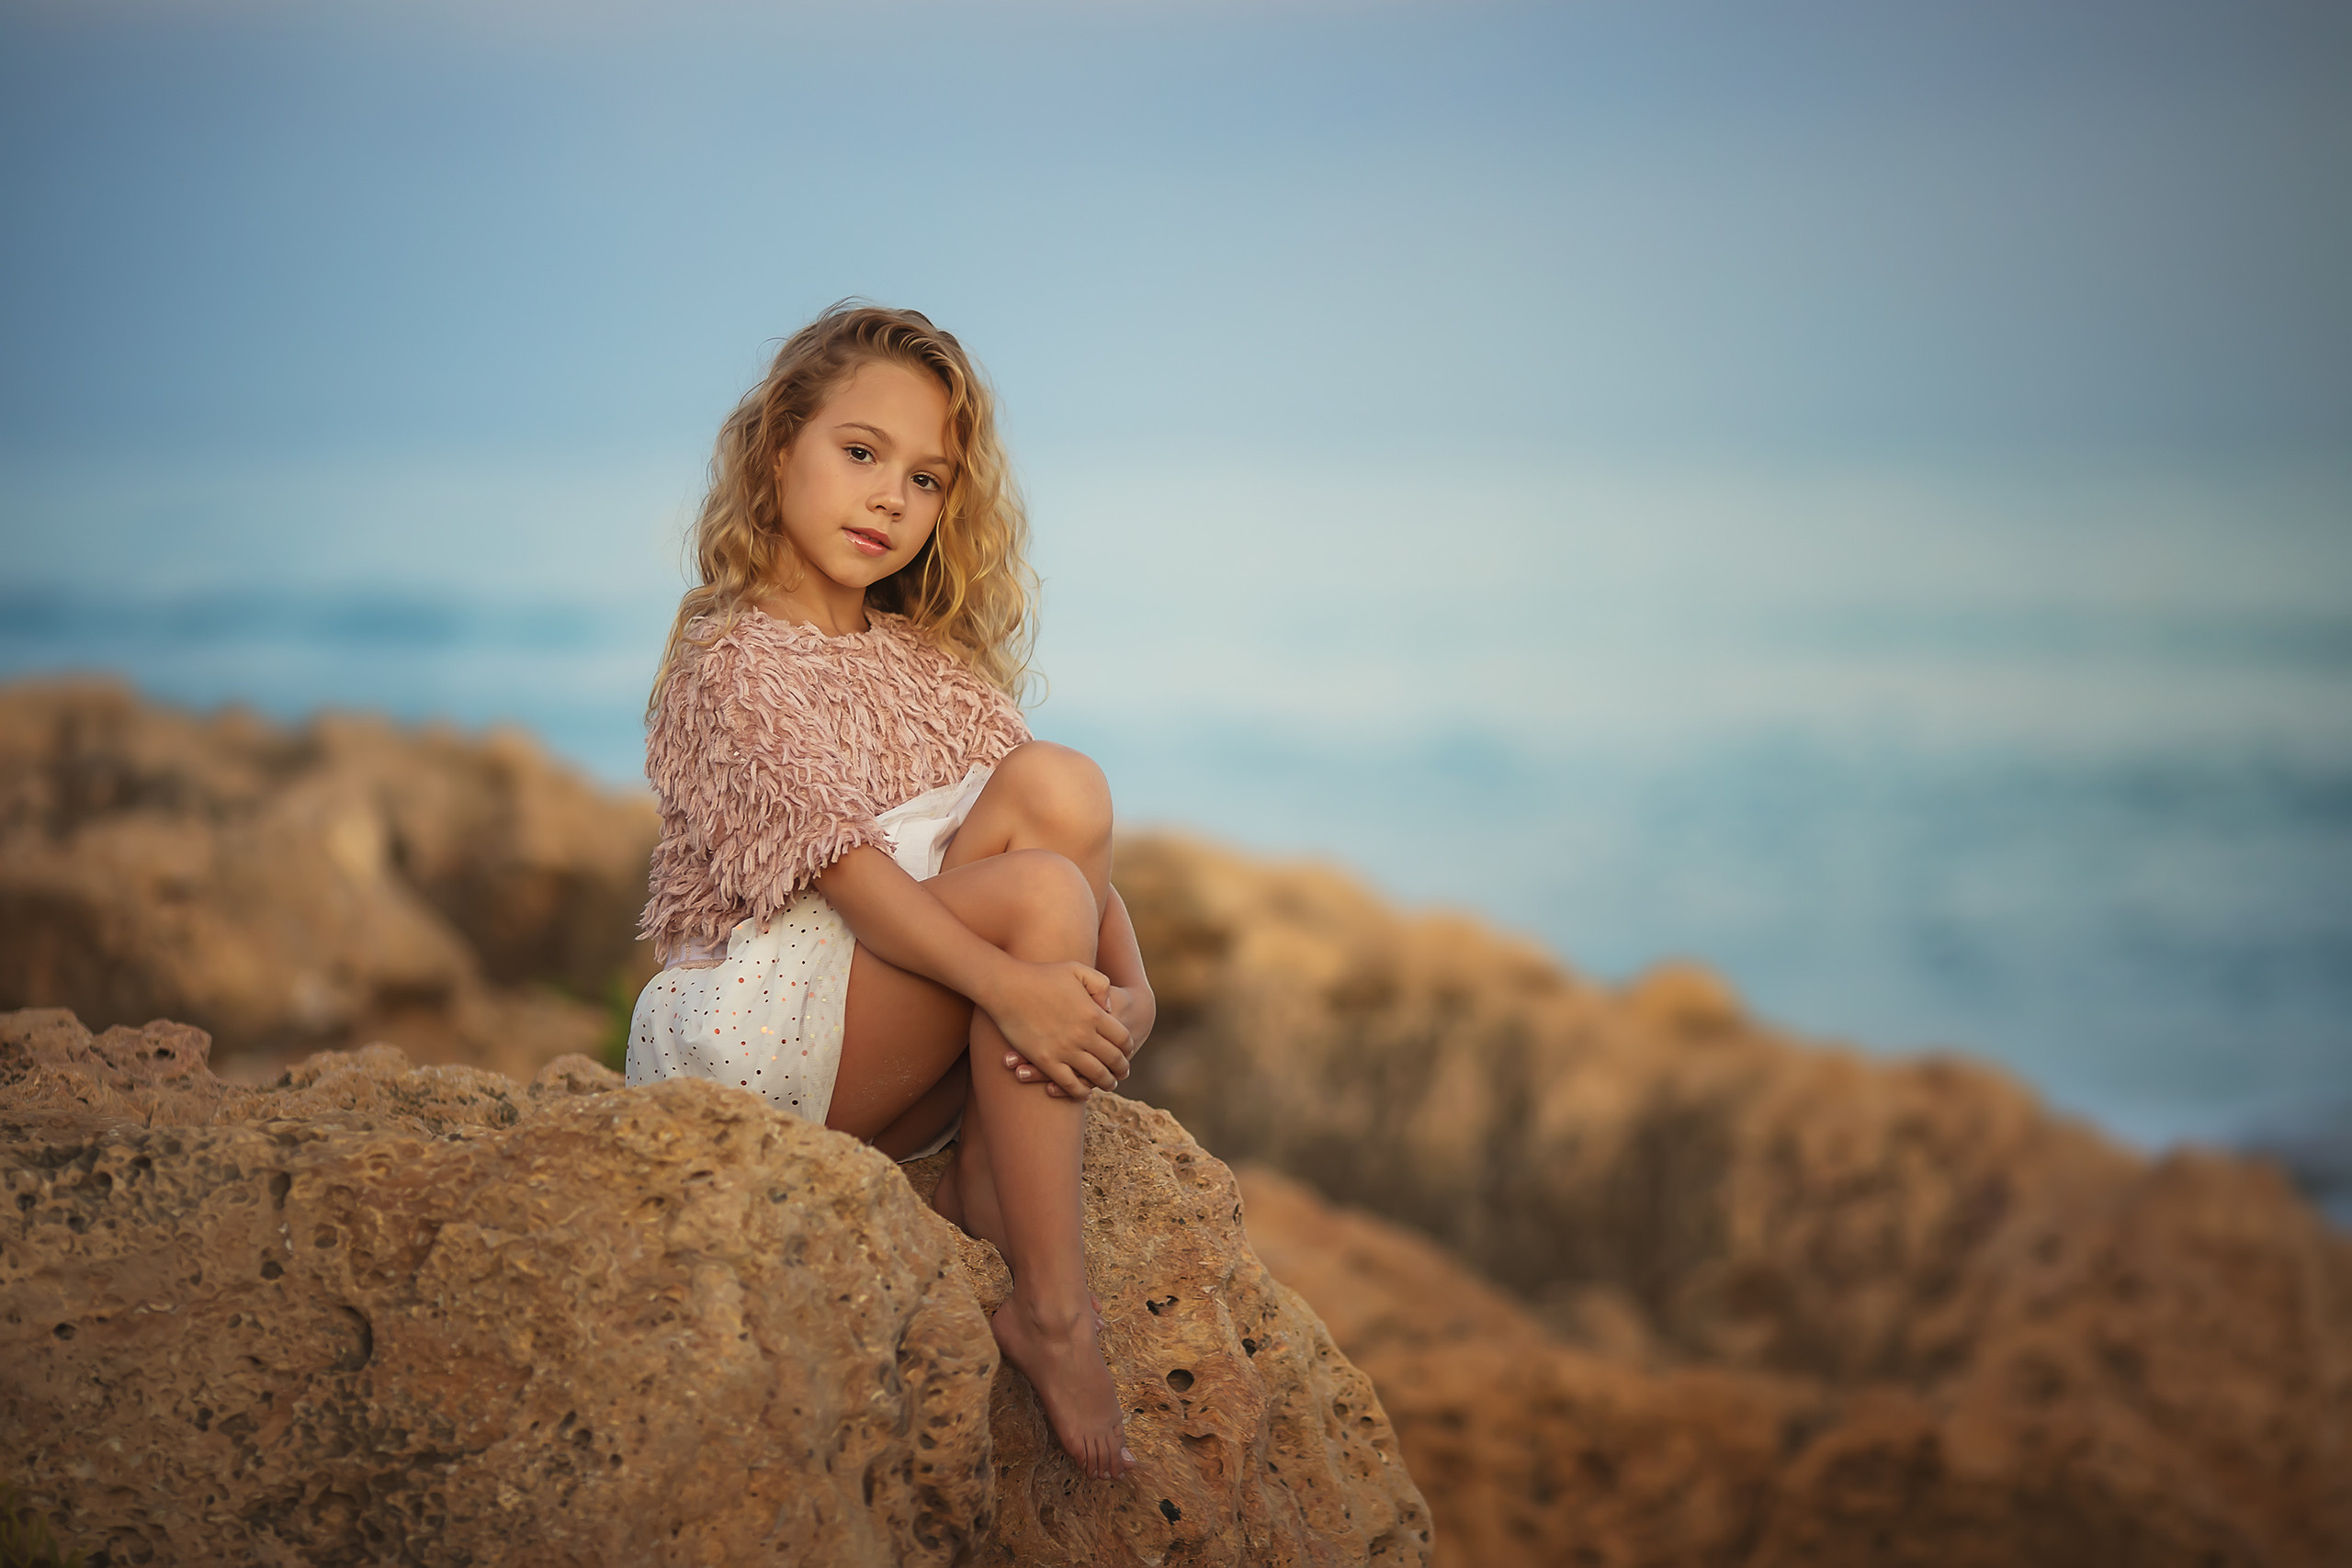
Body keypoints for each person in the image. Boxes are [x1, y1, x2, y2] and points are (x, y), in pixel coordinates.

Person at [627, 303, 1149, 1482]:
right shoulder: (730, 661)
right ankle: (1054, 1317)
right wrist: (1019, 985)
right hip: (756, 1035)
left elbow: (1064, 854)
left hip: (886, 1026)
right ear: (777, 452)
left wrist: (1132, 993)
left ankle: (973, 1175)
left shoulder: (930, 670)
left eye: (925, 479)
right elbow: (851, 880)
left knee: (1059, 784)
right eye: (859, 454)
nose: (889, 499)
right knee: (1029, 910)